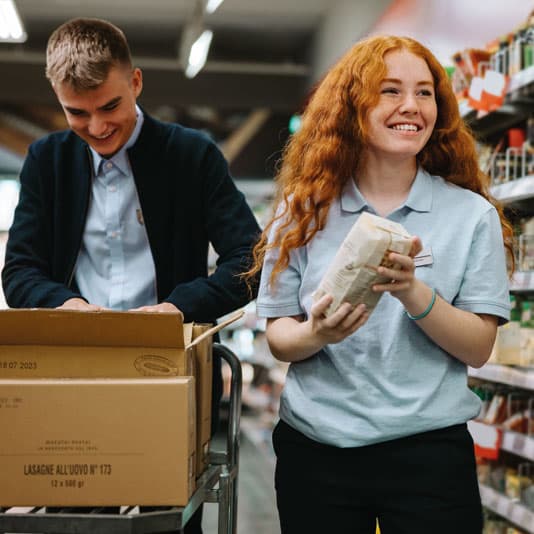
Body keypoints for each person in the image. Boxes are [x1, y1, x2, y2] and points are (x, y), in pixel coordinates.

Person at [1, 17, 260, 534]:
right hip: (72, 378)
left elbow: (249, 261)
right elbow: (20, 270)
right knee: (69, 524)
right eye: (77, 112)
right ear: (58, 97)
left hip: (168, 372)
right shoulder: (46, 161)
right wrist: (68, 308)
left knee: (165, 521)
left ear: (136, 83)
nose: (96, 127)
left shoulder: (192, 155)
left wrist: (176, 309)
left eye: (110, 107)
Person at [247, 35, 513, 534]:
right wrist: (316, 334)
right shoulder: (303, 212)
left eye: (425, 92)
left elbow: (479, 347)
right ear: (352, 106)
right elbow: (279, 333)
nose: (410, 106)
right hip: (318, 451)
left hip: (428, 454)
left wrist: (415, 292)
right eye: (389, 91)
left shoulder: (470, 216)